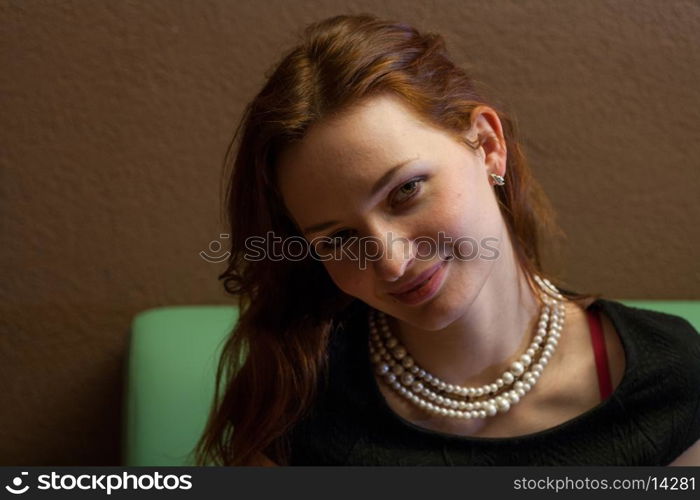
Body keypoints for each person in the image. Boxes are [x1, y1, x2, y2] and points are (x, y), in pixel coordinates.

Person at [193, 13, 700, 466]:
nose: (390, 262)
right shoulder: (294, 394)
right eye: (339, 239)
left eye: (405, 191)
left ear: (487, 145)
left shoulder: (671, 377)